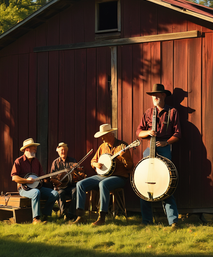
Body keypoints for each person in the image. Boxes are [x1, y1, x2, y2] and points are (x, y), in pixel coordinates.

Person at [136, 83, 181, 230]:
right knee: (144, 183)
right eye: (152, 95)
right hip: (149, 150)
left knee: (166, 183)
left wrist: (166, 142)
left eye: (157, 95)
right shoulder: (149, 112)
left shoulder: (172, 112)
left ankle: (173, 221)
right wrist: (148, 133)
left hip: (165, 150)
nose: (154, 97)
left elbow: (178, 134)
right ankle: (146, 221)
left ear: (163, 96)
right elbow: (139, 132)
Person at [73, 124, 134, 226]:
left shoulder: (122, 146)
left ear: (111, 134)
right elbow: (93, 161)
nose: (102, 138)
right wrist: (95, 164)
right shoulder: (102, 147)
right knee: (80, 184)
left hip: (119, 177)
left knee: (103, 184)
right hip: (103, 176)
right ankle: (80, 216)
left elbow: (129, 167)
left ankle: (102, 217)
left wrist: (125, 157)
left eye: (104, 135)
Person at [11, 138, 59, 224]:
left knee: (55, 194)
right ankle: (36, 219)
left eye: (35, 148)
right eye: (34, 148)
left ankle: (45, 215)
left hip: (37, 187)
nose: (35, 150)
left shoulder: (36, 161)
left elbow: (42, 176)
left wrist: (49, 178)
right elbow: (14, 178)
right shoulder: (19, 161)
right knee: (36, 192)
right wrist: (26, 180)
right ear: (27, 149)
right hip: (23, 189)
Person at [50, 142, 84, 221]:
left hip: (71, 185)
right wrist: (57, 181)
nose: (63, 152)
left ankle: (71, 213)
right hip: (60, 186)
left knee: (75, 191)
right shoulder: (55, 163)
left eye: (65, 150)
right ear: (58, 151)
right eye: (61, 150)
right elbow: (52, 177)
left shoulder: (72, 161)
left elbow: (79, 173)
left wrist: (77, 171)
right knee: (60, 193)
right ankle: (63, 213)